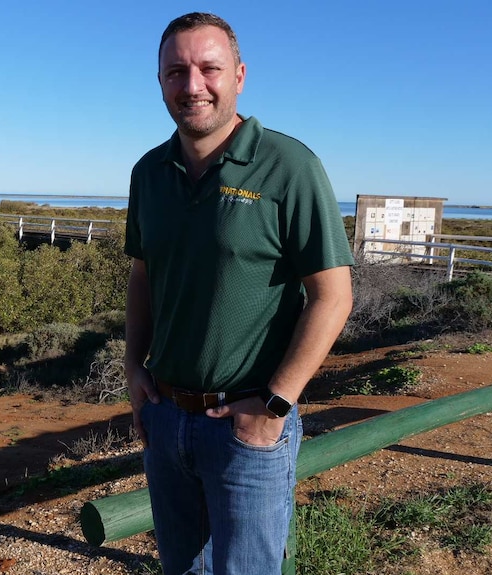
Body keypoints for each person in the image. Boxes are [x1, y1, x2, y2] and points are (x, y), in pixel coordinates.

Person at [124, 12, 355, 575]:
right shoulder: (149, 172)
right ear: (159, 81)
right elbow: (144, 275)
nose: (193, 85)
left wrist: (275, 403)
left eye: (210, 68)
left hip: (247, 423)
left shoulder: (288, 166)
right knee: (181, 568)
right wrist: (134, 367)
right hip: (166, 415)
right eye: (176, 71)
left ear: (240, 75)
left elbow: (333, 296)